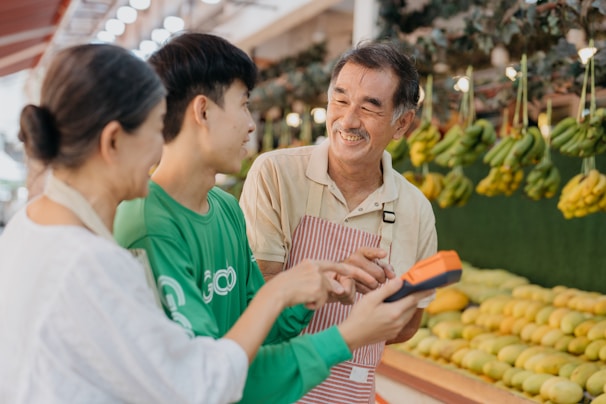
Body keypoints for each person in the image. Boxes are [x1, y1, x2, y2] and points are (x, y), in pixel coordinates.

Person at [0, 43, 413, 404]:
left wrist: (304, 292)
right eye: (154, 127)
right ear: (112, 141)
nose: (160, 144)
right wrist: (342, 333)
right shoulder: (95, 261)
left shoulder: (31, 229)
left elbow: (240, 342)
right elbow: (200, 385)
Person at [113, 32, 431, 404]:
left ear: (402, 123)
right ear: (202, 111)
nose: (251, 125)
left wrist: (321, 284)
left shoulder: (225, 210)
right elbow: (208, 378)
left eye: (369, 106)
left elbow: (258, 331)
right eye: (244, 105)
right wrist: (345, 336)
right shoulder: (148, 228)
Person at [239, 40, 438, 403]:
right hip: (274, 390)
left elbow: (411, 321)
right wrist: (331, 287)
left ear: (403, 123)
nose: (348, 120)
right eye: (340, 100)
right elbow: (258, 292)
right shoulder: (276, 174)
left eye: (370, 107)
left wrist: (381, 312)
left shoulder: (417, 210)